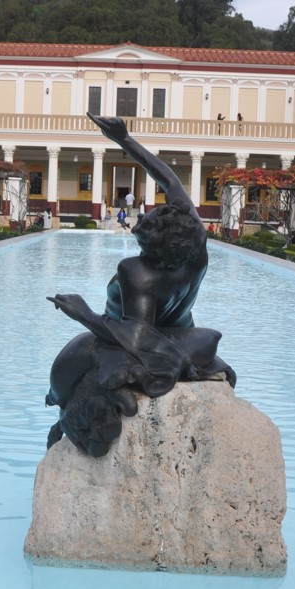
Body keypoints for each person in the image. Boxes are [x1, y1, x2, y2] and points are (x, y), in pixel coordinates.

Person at [45, 115, 234, 457]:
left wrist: (83, 314)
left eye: (145, 246)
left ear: (160, 260)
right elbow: (168, 178)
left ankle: (67, 415)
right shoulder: (196, 245)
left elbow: (138, 339)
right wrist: (124, 139)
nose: (138, 238)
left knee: (63, 368)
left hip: (141, 341)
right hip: (184, 331)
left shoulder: (138, 273)